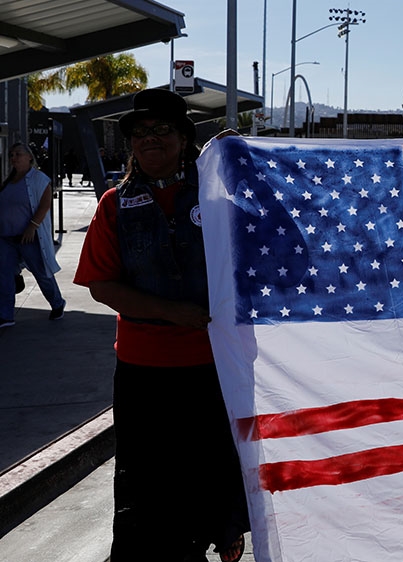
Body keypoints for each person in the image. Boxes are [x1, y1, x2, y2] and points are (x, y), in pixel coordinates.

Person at [74, 89, 249, 562]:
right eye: (140, 132)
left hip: (213, 368)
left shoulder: (218, 196)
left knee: (213, 467)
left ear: (184, 137)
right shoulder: (114, 204)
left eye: (162, 130)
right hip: (143, 370)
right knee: (149, 481)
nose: (150, 139)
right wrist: (170, 312)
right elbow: (101, 285)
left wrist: (240, 160)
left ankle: (225, 532)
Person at [0, 142, 66, 328]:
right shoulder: (8, 181)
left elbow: (45, 204)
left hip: (27, 237)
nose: (14, 158)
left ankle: (57, 303)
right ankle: (5, 315)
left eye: (18, 154)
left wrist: (33, 226)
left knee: (41, 273)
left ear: (29, 157)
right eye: (12, 154)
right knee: (3, 276)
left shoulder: (39, 179)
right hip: (6, 237)